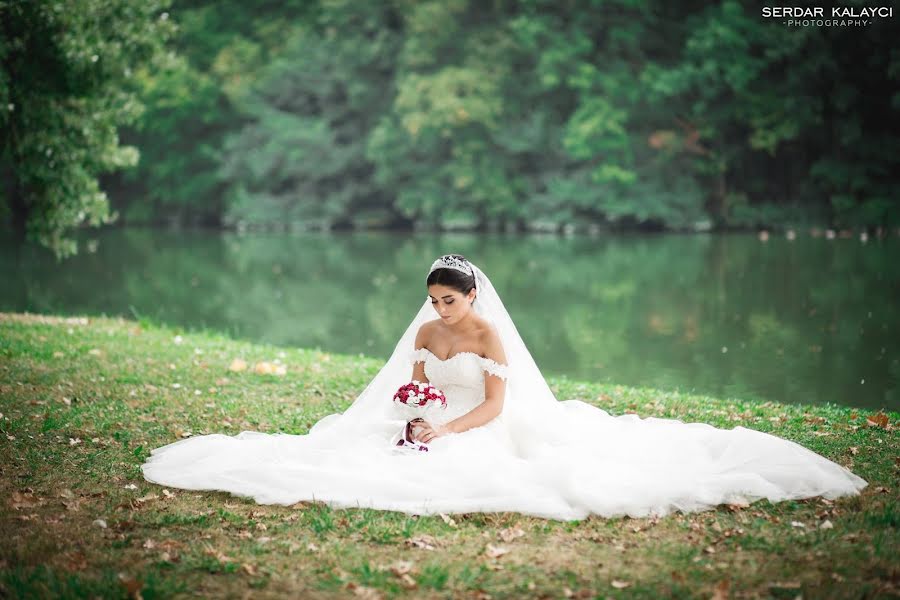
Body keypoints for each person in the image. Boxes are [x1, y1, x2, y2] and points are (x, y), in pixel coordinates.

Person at [141, 254, 867, 520]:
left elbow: (493, 404)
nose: (438, 311)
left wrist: (446, 428)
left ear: (472, 298)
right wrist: (416, 408)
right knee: (352, 453)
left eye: (449, 300)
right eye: (432, 300)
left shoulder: (489, 338)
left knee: (493, 468)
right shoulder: (425, 335)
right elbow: (415, 383)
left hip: (482, 425)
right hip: (435, 420)